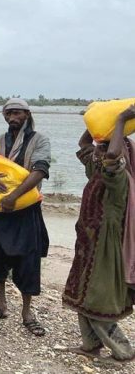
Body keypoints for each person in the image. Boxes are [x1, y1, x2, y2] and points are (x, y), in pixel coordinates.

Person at [62, 106, 135, 362]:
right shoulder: (96, 170)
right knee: (82, 294)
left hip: (105, 245)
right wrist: (97, 119)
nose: (98, 152)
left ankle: (123, 350)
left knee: (98, 297)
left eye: (103, 149)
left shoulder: (117, 176)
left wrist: (121, 119)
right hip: (88, 242)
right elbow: (85, 143)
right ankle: (90, 345)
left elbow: (113, 153)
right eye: (99, 148)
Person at [0, 98, 50, 337]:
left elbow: (40, 170)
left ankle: (27, 313)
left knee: (28, 261)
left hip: (25, 210)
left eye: (17, 113)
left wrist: (15, 196)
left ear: (27, 114)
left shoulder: (39, 140)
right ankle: (1, 305)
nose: (13, 117)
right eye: (9, 113)